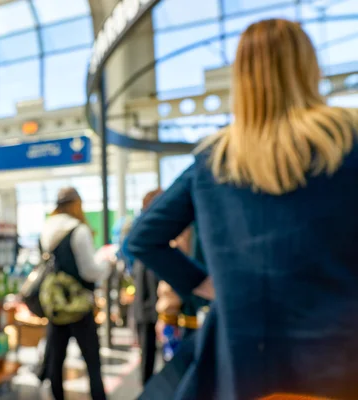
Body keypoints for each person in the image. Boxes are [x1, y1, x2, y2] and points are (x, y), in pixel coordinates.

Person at [127, 18, 358, 400]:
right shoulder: (346, 140)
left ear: (241, 80)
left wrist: (205, 286)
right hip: (338, 363)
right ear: (309, 67)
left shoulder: (214, 160)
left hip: (243, 366)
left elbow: (143, 238)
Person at [40, 187, 109, 400]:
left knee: (56, 358)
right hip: (79, 305)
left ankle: (57, 396)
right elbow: (89, 271)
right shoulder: (78, 230)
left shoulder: (47, 229)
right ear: (76, 203)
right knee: (92, 359)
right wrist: (107, 264)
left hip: (56, 304)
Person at [130, 189, 162, 384]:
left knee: (147, 354)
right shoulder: (156, 230)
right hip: (154, 299)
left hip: (146, 299)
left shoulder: (140, 229)